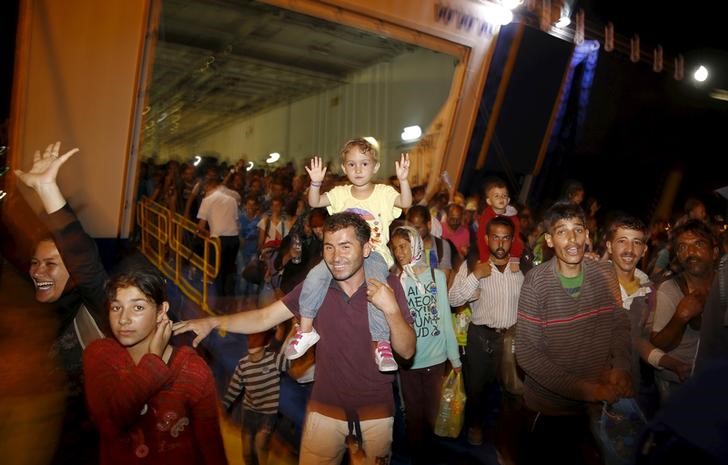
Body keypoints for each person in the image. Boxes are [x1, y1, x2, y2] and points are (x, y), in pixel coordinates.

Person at [173, 212, 416, 464]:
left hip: (375, 410)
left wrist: (391, 309)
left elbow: (407, 351)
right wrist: (213, 321)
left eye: (345, 246)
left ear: (366, 249)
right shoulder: (316, 288)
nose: (336, 257)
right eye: (329, 247)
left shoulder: (389, 286)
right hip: (324, 407)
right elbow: (264, 318)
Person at [15, 142, 110, 465]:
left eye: (52, 263)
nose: (38, 271)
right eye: (35, 262)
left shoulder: (99, 308)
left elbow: (83, 258)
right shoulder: (43, 313)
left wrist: (47, 190)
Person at [515, 201, 631, 465]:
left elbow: (619, 322)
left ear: (588, 235)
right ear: (549, 240)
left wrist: (622, 366)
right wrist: (588, 390)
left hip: (594, 408)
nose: (572, 239)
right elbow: (527, 354)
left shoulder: (604, 273)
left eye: (578, 230)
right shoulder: (536, 282)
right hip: (549, 409)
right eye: (561, 232)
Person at [286, 138, 412, 372]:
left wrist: (403, 181)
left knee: (375, 288)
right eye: (352, 164)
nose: (358, 169)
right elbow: (314, 202)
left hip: (374, 254)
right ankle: (306, 330)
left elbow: (406, 201)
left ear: (375, 167)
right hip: (343, 255)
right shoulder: (340, 193)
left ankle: (381, 342)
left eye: (364, 164)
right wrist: (315, 183)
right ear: (344, 168)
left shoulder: (384, 193)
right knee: (314, 276)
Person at [83, 268, 228, 465]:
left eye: (138, 308)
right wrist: (153, 361)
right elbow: (110, 422)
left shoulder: (191, 369)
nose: (123, 319)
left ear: (162, 311)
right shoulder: (100, 355)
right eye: (116, 307)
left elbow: (211, 448)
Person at [448, 216, 524, 452]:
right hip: (481, 337)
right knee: (476, 388)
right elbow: (453, 299)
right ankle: (476, 426)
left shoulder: (522, 266)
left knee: (511, 391)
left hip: (511, 337)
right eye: (495, 238)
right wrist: (476, 276)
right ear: (486, 238)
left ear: (512, 240)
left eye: (505, 238)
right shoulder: (473, 264)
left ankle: (505, 436)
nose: (500, 243)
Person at [604, 215, 689, 418]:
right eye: (622, 241)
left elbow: (639, 340)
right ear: (609, 246)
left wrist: (672, 363)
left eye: (637, 242)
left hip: (625, 388)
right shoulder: (591, 280)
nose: (629, 249)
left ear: (644, 249)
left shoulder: (648, 292)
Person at [389, 225, 461, 464]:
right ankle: (416, 456)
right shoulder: (396, 281)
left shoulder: (436, 277)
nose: (399, 252)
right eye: (395, 247)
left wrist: (455, 359)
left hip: (436, 358)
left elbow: (445, 321)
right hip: (408, 360)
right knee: (413, 414)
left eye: (404, 246)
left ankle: (429, 455)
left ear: (416, 244)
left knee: (432, 414)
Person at [650, 219, 718, 401]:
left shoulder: (724, 284)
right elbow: (659, 345)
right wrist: (680, 317)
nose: (690, 252)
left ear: (715, 252)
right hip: (679, 383)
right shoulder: (670, 290)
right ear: (678, 257)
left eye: (699, 244)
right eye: (682, 248)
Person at [223, 331, 288, 465]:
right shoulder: (243, 364)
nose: (253, 358)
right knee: (247, 450)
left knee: (260, 443)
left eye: (256, 354)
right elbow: (235, 387)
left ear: (265, 346)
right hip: (249, 411)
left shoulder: (275, 360)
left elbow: (293, 365)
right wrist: (225, 405)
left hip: (268, 413)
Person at [195, 174, 241, 296]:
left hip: (218, 240)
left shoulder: (208, 200)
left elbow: (201, 226)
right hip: (234, 239)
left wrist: (199, 233)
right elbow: (236, 221)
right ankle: (229, 299)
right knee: (229, 271)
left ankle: (220, 302)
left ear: (210, 186)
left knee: (218, 272)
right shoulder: (232, 200)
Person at [475, 177, 523, 272]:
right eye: (496, 196)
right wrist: (484, 259)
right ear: (489, 201)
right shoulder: (486, 217)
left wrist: (515, 258)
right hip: (487, 253)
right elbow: (481, 238)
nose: (501, 198)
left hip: (507, 255)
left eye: (504, 196)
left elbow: (516, 239)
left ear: (508, 200)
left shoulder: (513, 217)